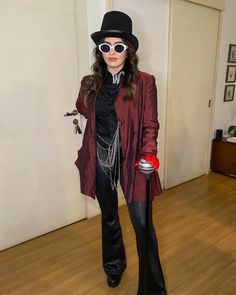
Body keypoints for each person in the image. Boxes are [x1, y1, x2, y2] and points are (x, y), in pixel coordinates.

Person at [75, 10, 167, 295]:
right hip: (101, 160)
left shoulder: (144, 82)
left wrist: (149, 153)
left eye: (118, 46)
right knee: (110, 217)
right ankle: (114, 266)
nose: (112, 52)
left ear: (128, 50)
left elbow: (150, 123)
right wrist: (92, 94)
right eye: (105, 46)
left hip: (134, 162)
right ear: (99, 51)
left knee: (142, 224)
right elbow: (82, 109)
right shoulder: (91, 83)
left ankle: (154, 287)